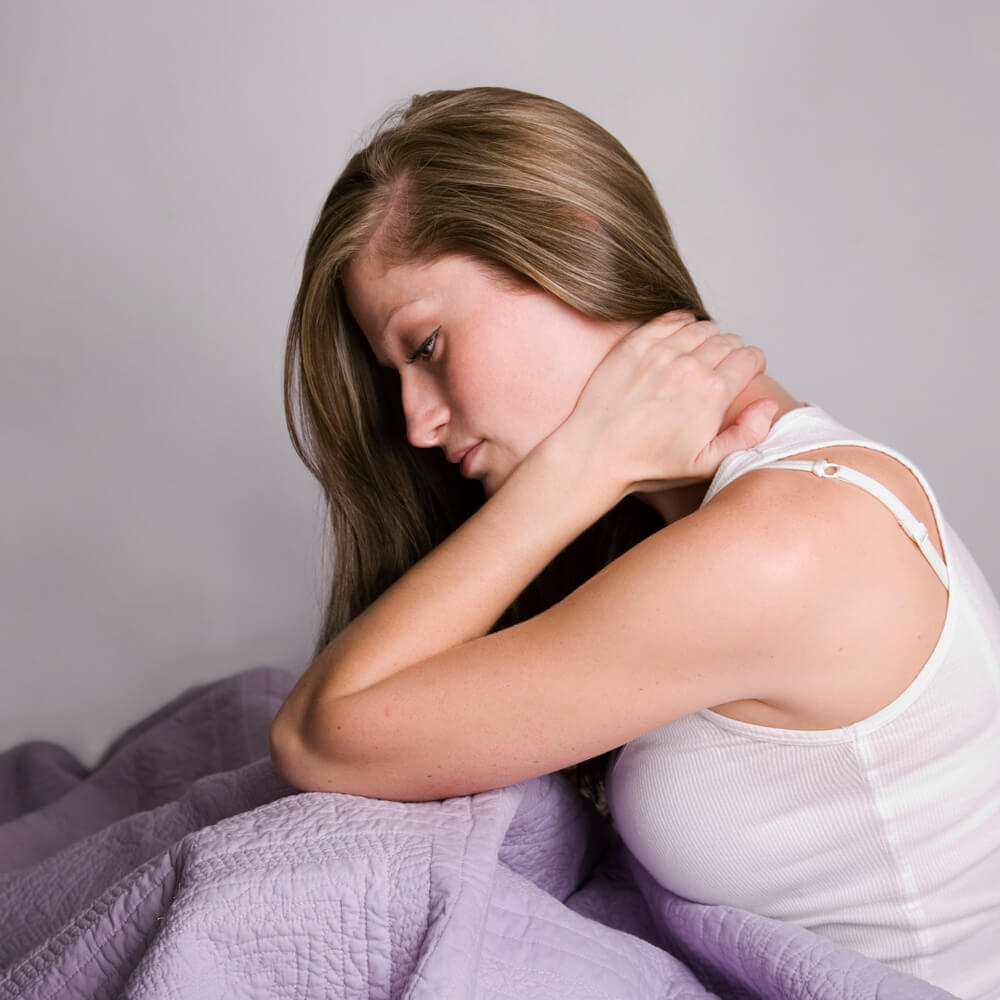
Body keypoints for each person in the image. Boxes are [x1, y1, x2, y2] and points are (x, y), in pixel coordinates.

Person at [269, 87, 1000, 996]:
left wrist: (572, 471)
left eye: (425, 347)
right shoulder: (719, 510)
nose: (416, 424)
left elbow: (320, 738)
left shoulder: (786, 542)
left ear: (572, 246)